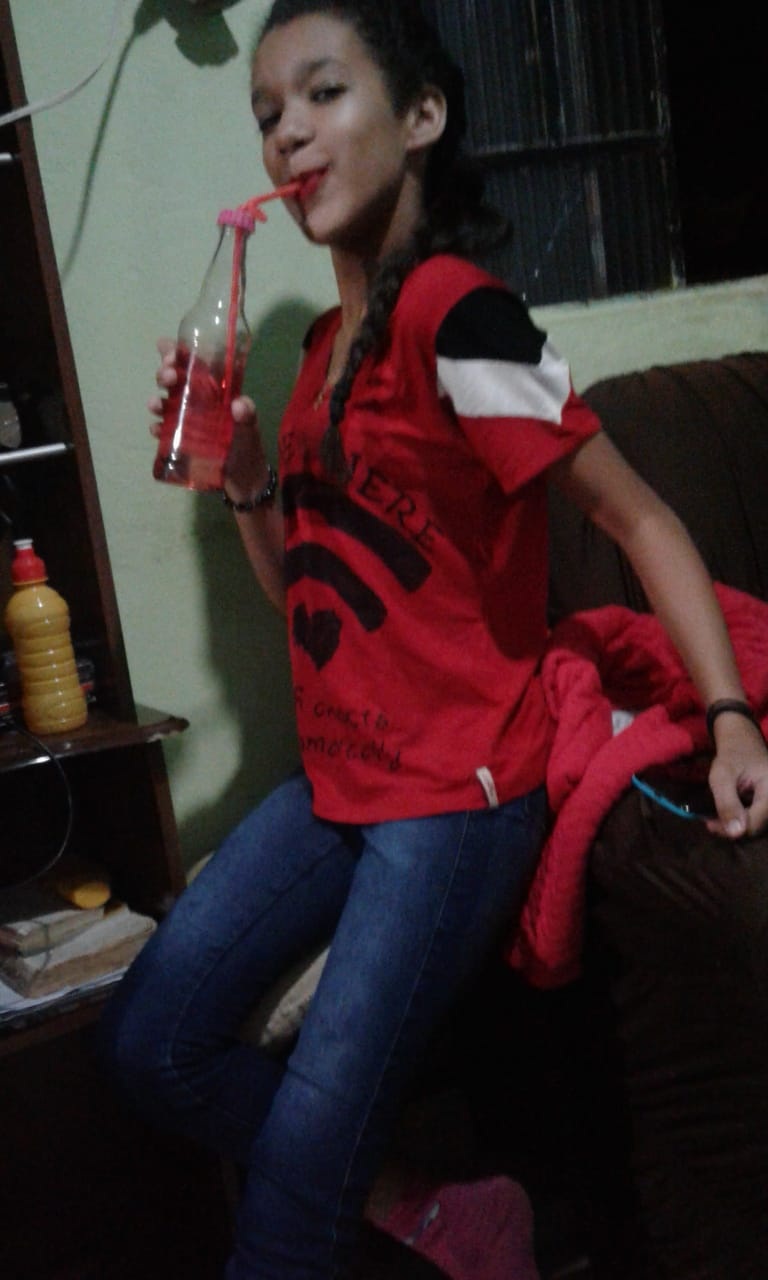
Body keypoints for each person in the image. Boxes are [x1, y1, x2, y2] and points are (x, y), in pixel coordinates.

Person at [96, 3, 768, 1277]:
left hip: (457, 797)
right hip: (340, 777)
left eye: (323, 94)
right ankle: (438, 1208)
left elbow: (639, 515)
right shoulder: (317, 352)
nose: (289, 132)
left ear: (421, 116)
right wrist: (247, 480)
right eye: (268, 113)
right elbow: (308, 595)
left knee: (291, 1192)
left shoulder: (465, 319)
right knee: (148, 1046)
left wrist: (728, 713)